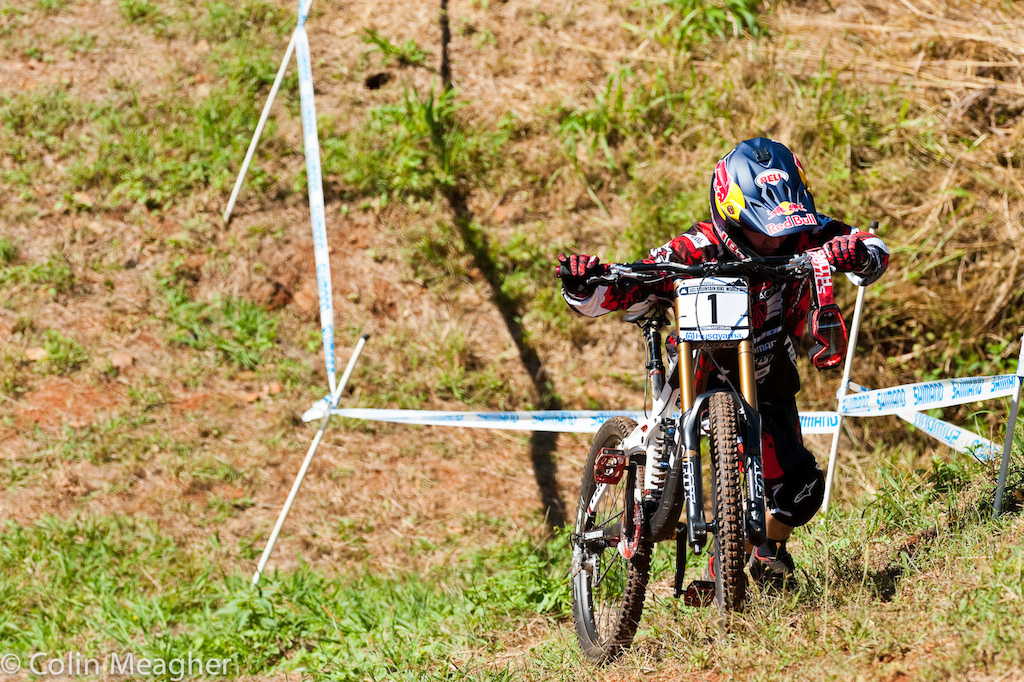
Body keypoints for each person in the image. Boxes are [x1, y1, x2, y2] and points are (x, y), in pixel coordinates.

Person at [556, 137, 889, 587]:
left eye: (785, 231)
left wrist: (859, 252)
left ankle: (762, 550)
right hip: (696, 370)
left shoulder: (807, 232)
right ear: (729, 217)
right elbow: (614, 292)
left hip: (768, 369)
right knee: (669, 442)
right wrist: (584, 282)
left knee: (803, 493)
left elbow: (872, 250)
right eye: (760, 230)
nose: (775, 242)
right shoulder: (696, 248)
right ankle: (650, 459)